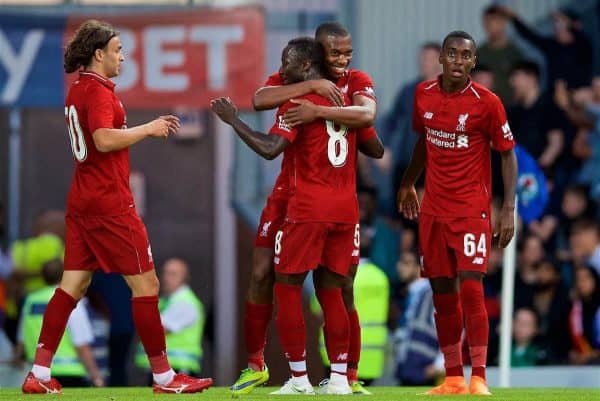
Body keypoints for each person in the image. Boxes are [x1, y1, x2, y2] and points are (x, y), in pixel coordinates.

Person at [20, 19, 212, 394]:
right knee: (147, 284)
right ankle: (165, 378)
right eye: (118, 50)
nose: (123, 57)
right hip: (109, 203)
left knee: (72, 284)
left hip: (82, 200)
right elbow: (104, 139)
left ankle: (39, 374)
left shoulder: (79, 90)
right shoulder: (98, 93)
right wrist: (149, 128)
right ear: (98, 54)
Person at [229, 22, 383, 396]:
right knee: (270, 275)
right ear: (318, 53)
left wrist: (317, 112)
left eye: (348, 52)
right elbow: (261, 97)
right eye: (337, 53)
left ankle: (324, 375)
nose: (345, 59)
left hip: (309, 200)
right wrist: (314, 88)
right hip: (322, 199)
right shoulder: (298, 73)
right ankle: (259, 366)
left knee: (315, 285)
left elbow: (271, 145)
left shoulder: (347, 84)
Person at [398, 30, 517, 395]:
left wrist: (508, 208)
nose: (458, 61)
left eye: (466, 56)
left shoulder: (488, 103)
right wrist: (407, 183)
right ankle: (452, 377)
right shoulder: (424, 95)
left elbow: (507, 154)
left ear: (473, 61)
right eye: (452, 54)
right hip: (434, 209)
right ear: (442, 58)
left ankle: (478, 376)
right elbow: (423, 141)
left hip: (471, 209)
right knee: (442, 293)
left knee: (470, 286)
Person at [14, 260, 104, 387]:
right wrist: (96, 375)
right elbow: (81, 343)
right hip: (70, 372)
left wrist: (18, 357)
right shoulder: (70, 298)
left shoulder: (31, 300)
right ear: (65, 274)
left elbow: (21, 337)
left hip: (37, 371)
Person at [135, 258, 205, 379]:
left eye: (173, 274)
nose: (166, 277)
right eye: (165, 272)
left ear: (184, 278)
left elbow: (155, 332)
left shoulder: (185, 302)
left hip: (179, 368)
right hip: (165, 368)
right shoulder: (166, 301)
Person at [477, 5, 524, 104]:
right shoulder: (479, 53)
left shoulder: (514, 53)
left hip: (509, 108)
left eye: (494, 21)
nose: (489, 26)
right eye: (486, 22)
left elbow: (522, 85)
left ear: (503, 23)